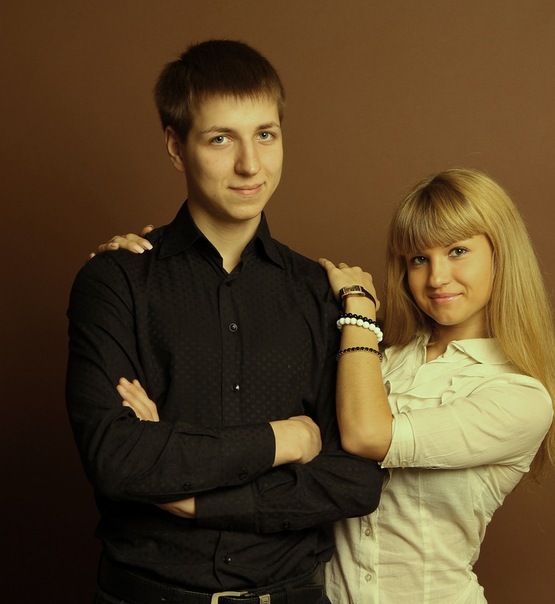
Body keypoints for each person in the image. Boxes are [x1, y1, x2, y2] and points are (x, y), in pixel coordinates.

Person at [66, 39, 384, 604]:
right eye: (221, 139)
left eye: (266, 134)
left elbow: (354, 481)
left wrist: (189, 494)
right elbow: (118, 459)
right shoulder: (116, 282)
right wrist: (284, 439)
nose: (250, 165)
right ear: (176, 147)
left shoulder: (321, 294)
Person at [317, 168, 555, 602]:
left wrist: (358, 310)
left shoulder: (521, 397)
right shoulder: (376, 356)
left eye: (457, 251)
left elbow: (369, 435)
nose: (436, 278)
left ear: (501, 253)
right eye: (418, 259)